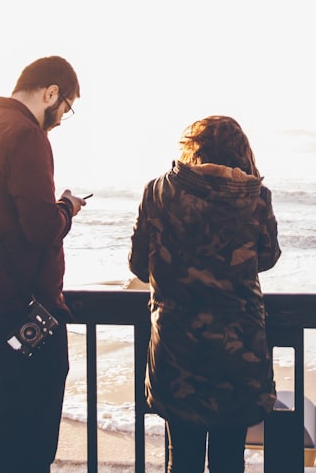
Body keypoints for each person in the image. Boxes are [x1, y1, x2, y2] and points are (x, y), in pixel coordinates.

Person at [0, 55, 88, 473]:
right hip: (22, 313)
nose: (62, 119)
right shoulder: (27, 135)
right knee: (29, 444)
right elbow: (40, 228)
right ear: (51, 93)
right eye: (65, 107)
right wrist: (66, 207)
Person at [129, 115, 282, 473]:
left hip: (176, 349)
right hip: (238, 351)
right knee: (230, 461)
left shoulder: (157, 191)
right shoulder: (256, 197)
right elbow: (268, 256)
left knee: (182, 459)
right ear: (242, 152)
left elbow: (139, 265)